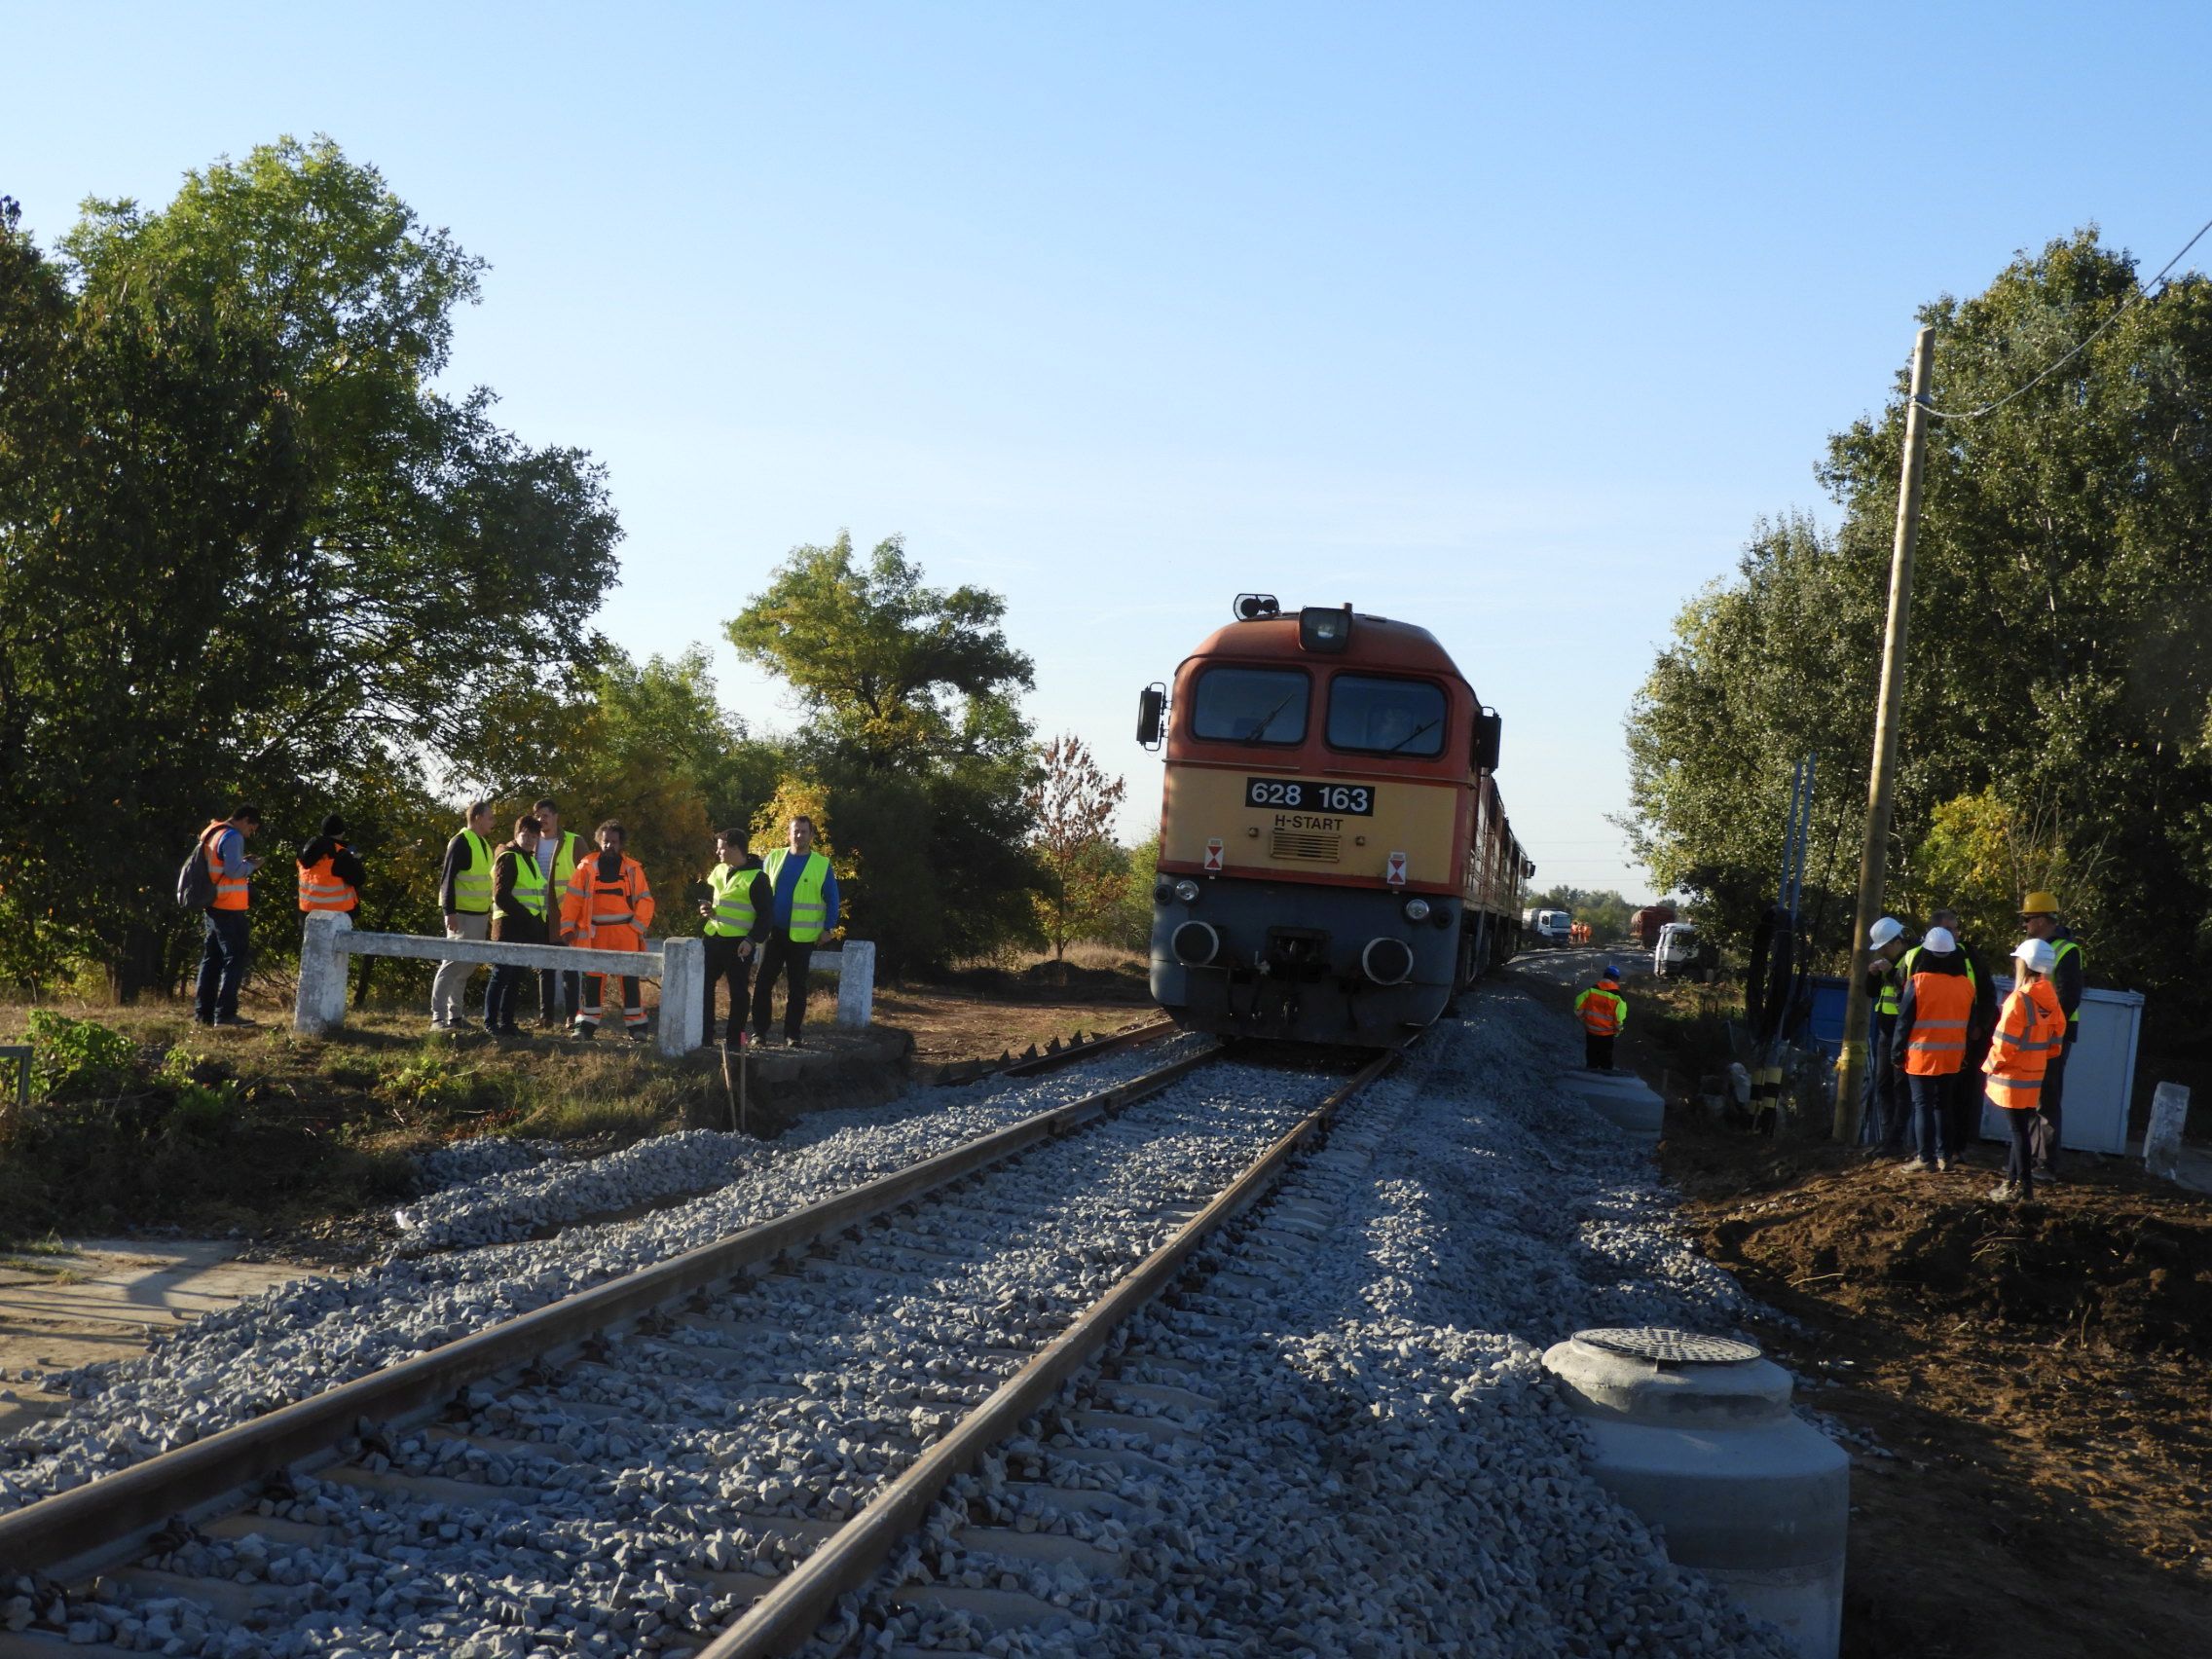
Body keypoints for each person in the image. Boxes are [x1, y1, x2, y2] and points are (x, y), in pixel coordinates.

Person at [1983, 938, 2067, 1203]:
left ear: (2025, 964)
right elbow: (2055, 1043)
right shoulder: (2051, 1000)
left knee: (2018, 1132)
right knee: (2020, 1129)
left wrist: (1989, 1065)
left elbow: (2004, 1044)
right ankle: (2012, 1182)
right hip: (2034, 1075)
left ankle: (2023, 1188)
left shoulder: (2018, 1000)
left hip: (2013, 1076)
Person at [750, 815, 840, 1050]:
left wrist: (828, 928)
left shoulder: (821, 864)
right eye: (795, 831)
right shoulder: (774, 858)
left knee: (797, 987)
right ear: (788, 834)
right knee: (762, 984)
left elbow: (832, 898)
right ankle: (759, 1032)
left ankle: (793, 1035)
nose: (798, 835)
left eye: (803, 831)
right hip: (773, 933)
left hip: (802, 937)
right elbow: (757, 889)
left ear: (811, 835)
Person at [562, 820, 655, 1041]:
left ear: (621, 843)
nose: (609, 846)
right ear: (598, 841)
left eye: (613, 842)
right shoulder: (586, 867)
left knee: (630, 981)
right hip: (595, 934)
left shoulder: (633, 869)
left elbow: (646, 901)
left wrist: (636, 928)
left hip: (625, 932)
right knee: (592, 981)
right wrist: (567, 927)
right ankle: (584, 1026)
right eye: (605, 842)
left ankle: (637, 1028)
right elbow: (572, 899)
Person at [1892, 926, 1972, 1173]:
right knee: (1943, 1104)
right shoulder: (1966, 985)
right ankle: (1945, 1157)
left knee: (1922, 1105)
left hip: (1922, 1054)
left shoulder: (1918, 983)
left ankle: (1925, 1158)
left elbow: (1904, 1021)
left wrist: (1896, 1052)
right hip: (1952, 1054)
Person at [2018, 892, 2084, 1182]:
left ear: (2043, 920)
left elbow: (2069, 998)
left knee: (2046, 1098)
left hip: (2054, 1036)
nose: (2026, 925)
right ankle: (2034, 1158)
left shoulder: (2067, 951)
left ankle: (2046, 1163)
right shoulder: (2033, 948)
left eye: (2028, 919)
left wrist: (2042, 1024)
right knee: (2033, 1097)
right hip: (2036, 1034)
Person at [1924, 907, 1999, 1161]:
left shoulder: (1969, 955)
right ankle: (1929, 1149)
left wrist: (1980, 1026)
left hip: (1968, 1039)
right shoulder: (1920, 955)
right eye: (1949, 929)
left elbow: (1987, 993)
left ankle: (1956, 1148)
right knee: (1931, 1098)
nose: (1955, 934)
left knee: (1963, 1093)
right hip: (1929, 1041)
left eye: (1955, 929)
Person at [193, 803, 263, 1028]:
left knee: (211, 959)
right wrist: (252, 866)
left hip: (212, 904)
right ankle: (225, 1014)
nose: (250, 834)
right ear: (246, 820)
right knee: (235, 957)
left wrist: (243, 862)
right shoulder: (233, 837)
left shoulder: (213, 831)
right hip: (229, 907)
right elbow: (233, 871)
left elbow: (221, 866)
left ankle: (203, 1015)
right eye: (252, 829)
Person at [698, 828, 769, 1045]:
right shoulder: (719, 870)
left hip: (739, 943)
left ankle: (734, 1039)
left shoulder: (758, 877)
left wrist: (751, 941)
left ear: (735, 848)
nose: (717, 853)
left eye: (721, 848)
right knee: (703, 986)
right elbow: (717, 900)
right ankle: (704, 1036)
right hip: (713, 937)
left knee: (738, 993)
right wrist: (707, 909)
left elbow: (766, 916)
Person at [430, 801, 498, 1030]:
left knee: (466, 967)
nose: (493, 822)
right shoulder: (461, 841)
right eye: (490, 817)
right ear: (477, 817)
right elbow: (447, 878)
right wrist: (449, 912)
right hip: (461, 915)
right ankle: (438, 1018)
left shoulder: (483, 844)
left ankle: (455, 1017)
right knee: (452, 964)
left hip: (478, 915)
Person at [524, 798, 585, 1030]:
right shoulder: (530, 841)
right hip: (540, 914)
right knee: (545, 966)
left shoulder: (573, 841)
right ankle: (546, 1017)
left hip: (566, 915)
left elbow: (589, 876)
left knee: (570, 967)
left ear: (556, 816)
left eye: (545, 815)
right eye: (538, 815)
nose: (541, 820)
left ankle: (572, 1016)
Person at [485, 815, 545, 1037]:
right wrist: (528, 918)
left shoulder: (529, 859)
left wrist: (537, 924)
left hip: (524, 930)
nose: (529, 839)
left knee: (516, 977)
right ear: (516, 834)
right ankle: (491, 1023)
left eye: (533, 836)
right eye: (525, 834)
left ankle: (508, 1024)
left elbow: (536, 897)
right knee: (501, 976)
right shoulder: (509, 857)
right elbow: (501, 896)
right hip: (508, 928)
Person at [1861, 916, 1912, 1149]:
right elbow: (1872, 992)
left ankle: (1896, 1139)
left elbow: (1909, 990)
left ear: (1895, 943)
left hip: (1904, 1035)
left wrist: (1891, 971)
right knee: (1883, 1085)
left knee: (1900, 1088)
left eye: (1883, 947)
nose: (1881, 952)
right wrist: (1872, 974)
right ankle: (1887, 1136)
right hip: (1885, 1034)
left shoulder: (1911, 959)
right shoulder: (1886, 961)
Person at [295, 815, 365, 919]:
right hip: (336, 915)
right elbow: (359, 879)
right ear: (342, 832)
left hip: (307, 913)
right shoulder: (341, 854)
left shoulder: (305, 851)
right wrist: (355, 859)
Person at [1573, 966, 1627, 1072]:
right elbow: (1619, 1018)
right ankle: (1604, 1079)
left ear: (1604, 976)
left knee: (1591, 1056)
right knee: (1606, 1060)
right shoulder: (1618, 997)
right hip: (1607, 1035)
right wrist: (1617, 1031)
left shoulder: (1592, 990)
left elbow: (1578, 1004)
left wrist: (1583, 1019)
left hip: (1591, 1031)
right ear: (1616, 979)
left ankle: (1590, 1075)